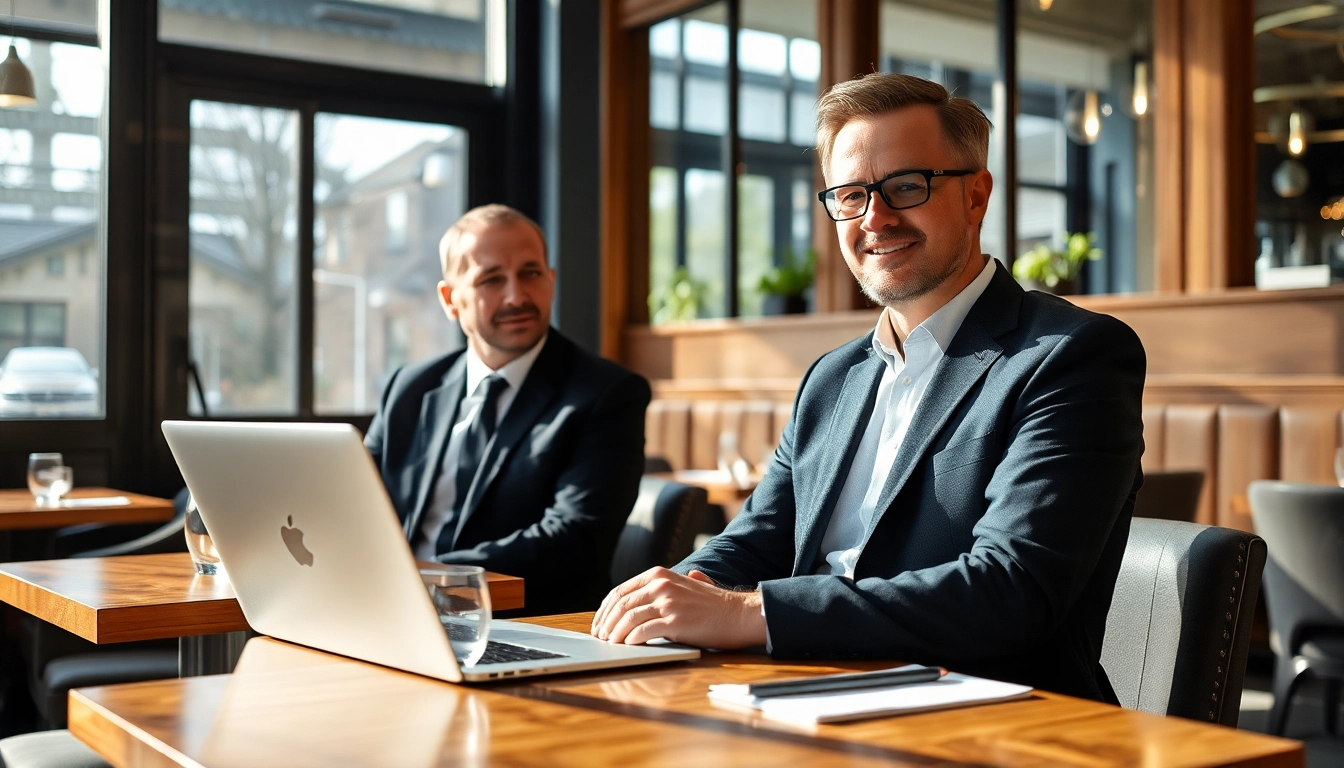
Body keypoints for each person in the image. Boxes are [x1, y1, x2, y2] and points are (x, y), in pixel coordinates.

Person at [591, 73, 1145, 703]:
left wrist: (751, 615)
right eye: (850, 195)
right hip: (803, 696)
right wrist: (669, 597)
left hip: (992, 719)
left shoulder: (1072, 356)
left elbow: (1010, 591)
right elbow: (753, 544)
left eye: (907, 186)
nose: (875, 218)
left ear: (976, 196)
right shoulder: (832, 377)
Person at [366, 204, 651, 616]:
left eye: (530, 273)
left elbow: (575, 538)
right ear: (450, 299)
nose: (516, 296)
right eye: (492, 279)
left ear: (551, 281)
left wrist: (431, 577)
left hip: (526, 624)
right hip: (394, 612)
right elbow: (358, 502)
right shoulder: (410, 388)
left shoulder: (607, 393)